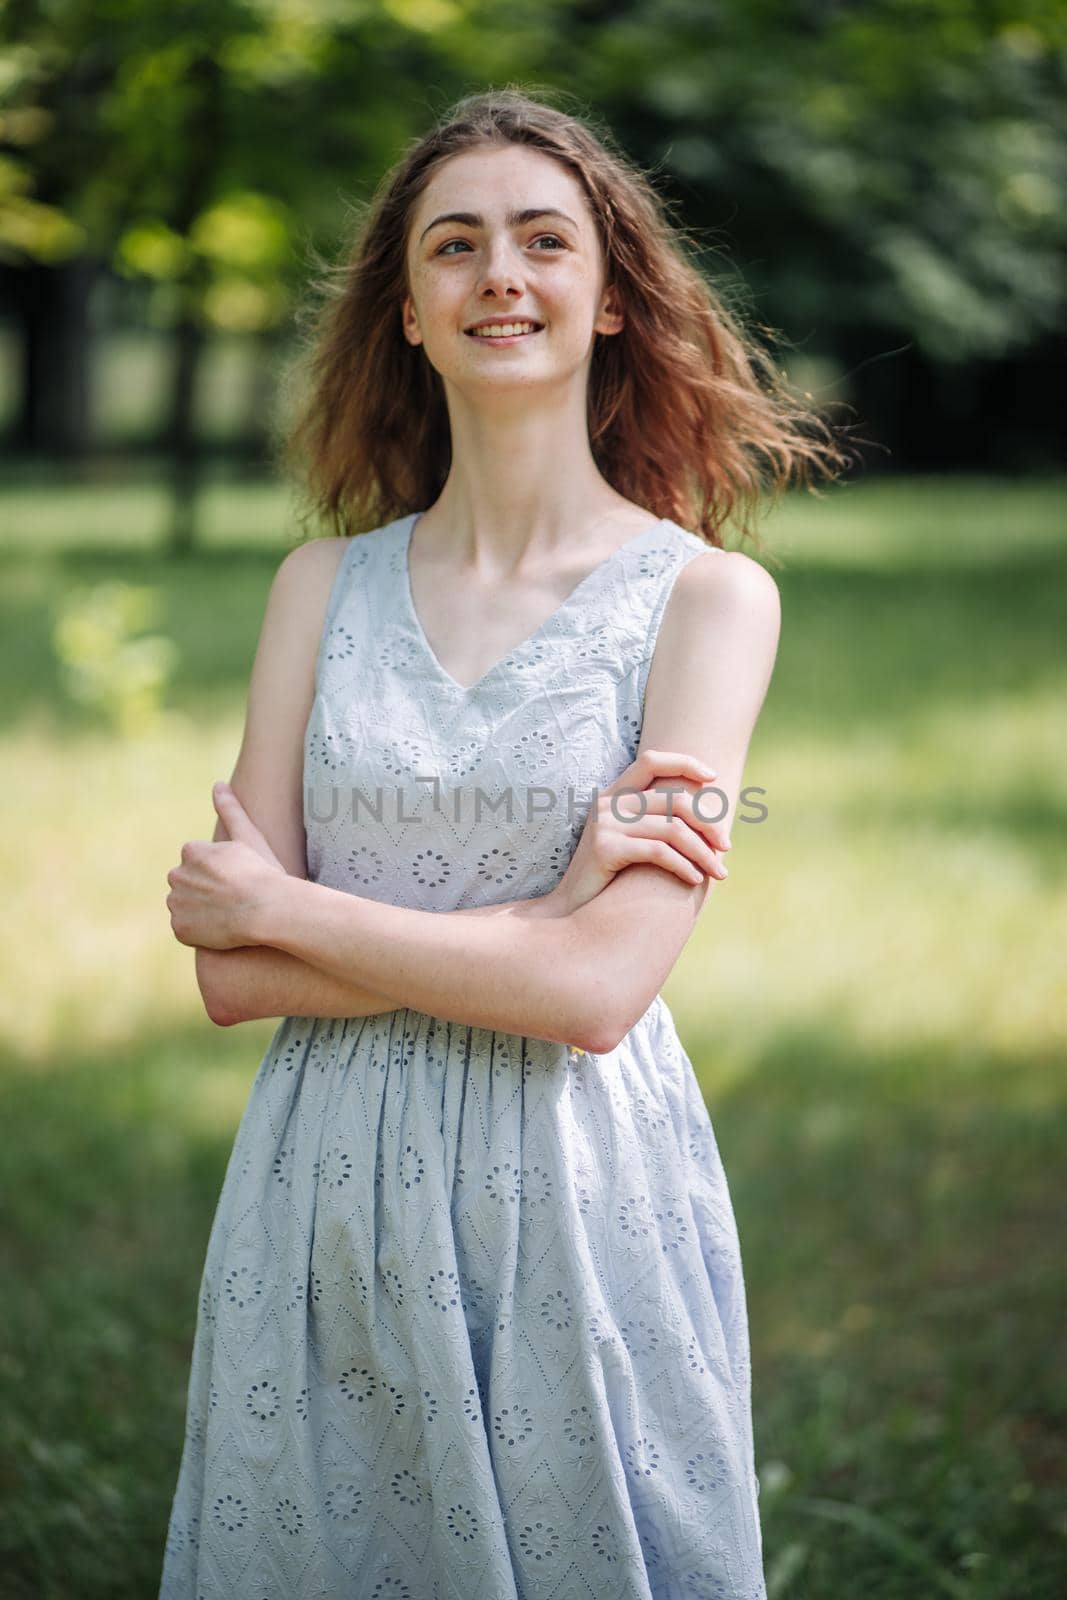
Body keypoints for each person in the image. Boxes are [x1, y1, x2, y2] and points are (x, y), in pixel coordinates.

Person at [160, 87, 849, 1600]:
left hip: (575, 1190)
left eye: (546, 241)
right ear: (406, 310)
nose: (503, 278)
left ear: (610, 300)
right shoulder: (316, 589)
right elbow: (227, 976)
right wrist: (541, 918)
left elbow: (601, 995)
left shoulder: (707, 605)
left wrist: (300, 914)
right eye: (455, 247)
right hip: (322, 1187)